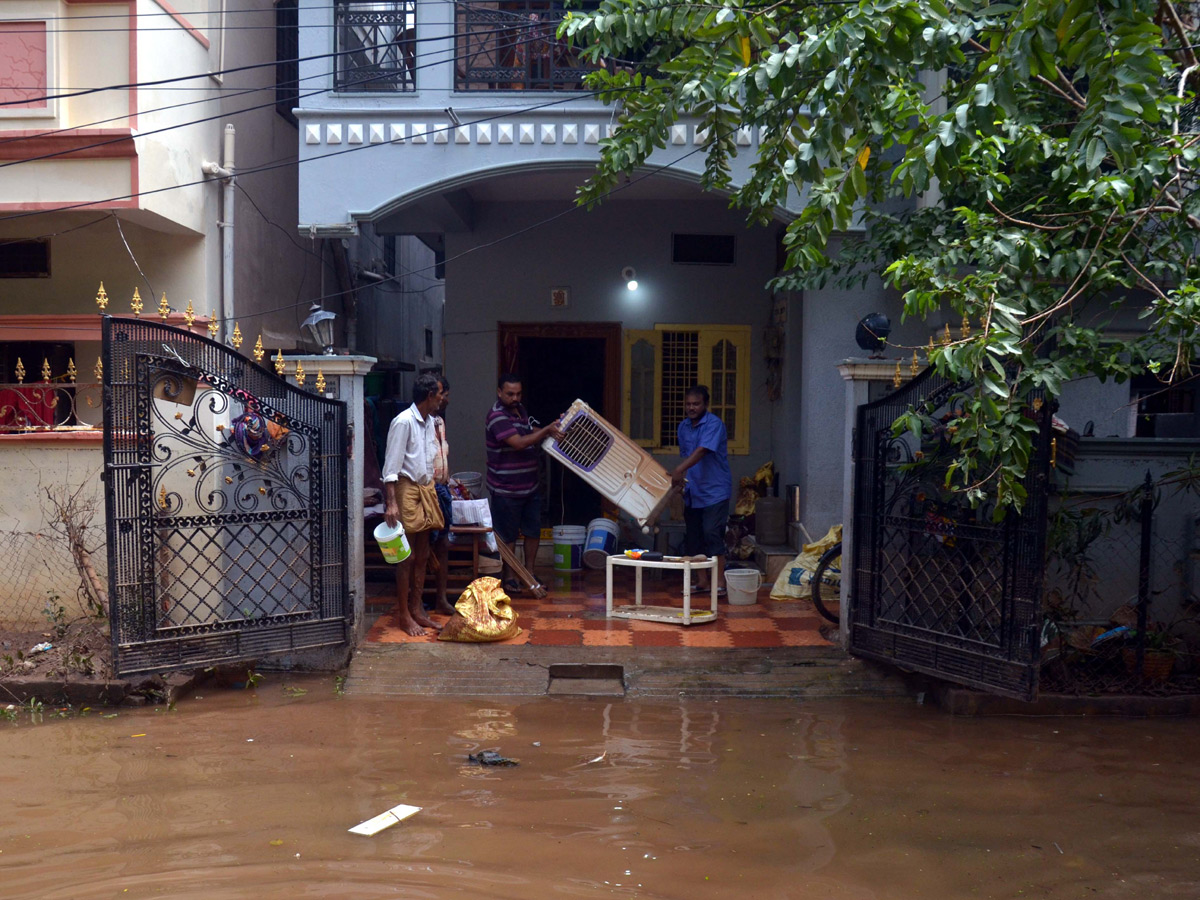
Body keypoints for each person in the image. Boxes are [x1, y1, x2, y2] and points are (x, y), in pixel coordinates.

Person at [485, 373, 560, 592]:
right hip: (506, 489)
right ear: (499, 392)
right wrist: (547, 430)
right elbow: (518, 442)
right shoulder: (496, 416)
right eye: (510, 394)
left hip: (530, 486)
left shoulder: (520, 411)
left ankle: (528, 572)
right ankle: (509, 577)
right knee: (508, 536)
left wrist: (551, 430)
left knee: (532, 532)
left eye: (518, 393)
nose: (515, 397)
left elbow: (528, 431)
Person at [382, 374, 445, 635]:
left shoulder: (431, 422)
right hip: (406, 489)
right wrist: (391, 503)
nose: (442, 398)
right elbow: (391, 467)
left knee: (422, 555)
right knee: (405, 558)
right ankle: (404, 615)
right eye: (440, 393)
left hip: (425, 489)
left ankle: (417, 609)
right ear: (430, 395)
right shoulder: (403, 422)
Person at [671, 384, 732, 595]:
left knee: (712, 534)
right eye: (688, 404)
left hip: (715, 490)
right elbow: (687, 456)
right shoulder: (683, 427)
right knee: (694, 537)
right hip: (693, 492)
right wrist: (681, 483)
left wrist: (679, 470)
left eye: (696, 404)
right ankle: (702, 582)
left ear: (705, 404)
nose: (691, 407)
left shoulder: (714, 424)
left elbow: (702, 451)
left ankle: (720, 583)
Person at [426, 373, 456, 617]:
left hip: (442, 489)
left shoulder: (439, 422)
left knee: (443, 543)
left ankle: (441, 598)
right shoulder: (412, 422)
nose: (444, 400)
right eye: (441, 395)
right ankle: (418, 600)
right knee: (423, 545)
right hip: (426, 490)